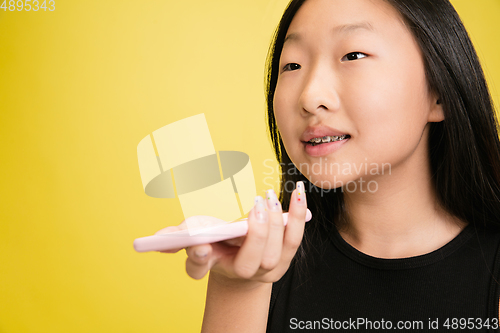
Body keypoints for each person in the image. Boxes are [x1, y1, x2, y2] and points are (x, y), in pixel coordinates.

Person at [158, 0, 500, 331]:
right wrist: (238, 287)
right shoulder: (262, 268)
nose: (309, 97)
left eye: (353, 55)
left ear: (438, 91)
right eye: (292, 65)